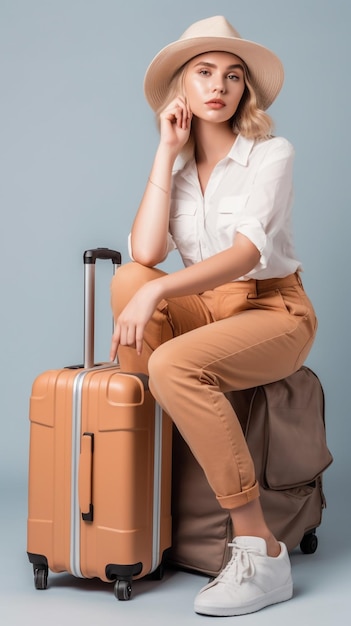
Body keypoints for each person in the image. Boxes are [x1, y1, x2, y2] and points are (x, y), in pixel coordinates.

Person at [109, 15, 317, 617]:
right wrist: (165, 148)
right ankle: (139, 501)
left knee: (171, 359)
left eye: (231, 75)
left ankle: (261, 551)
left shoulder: (271, 154)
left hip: (272, 307)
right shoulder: (175, 170)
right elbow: (145, 255)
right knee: (130, 278)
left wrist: (158, 293)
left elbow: (246, 255)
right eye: (203, 73)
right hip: (208, 312)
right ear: (182, 88)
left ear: (244, 89)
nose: (218, 86)